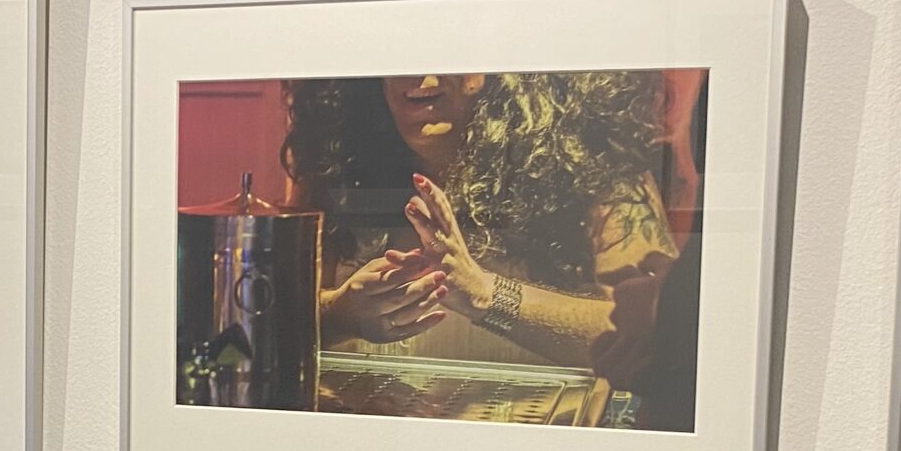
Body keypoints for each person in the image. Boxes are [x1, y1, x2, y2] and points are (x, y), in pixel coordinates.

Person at [283, 72, 681, 425]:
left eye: (448, 49)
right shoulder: (334, 162)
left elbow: (656, 337)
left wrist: (486, 295)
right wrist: (339, 313)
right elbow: (278, 323)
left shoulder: (598, 163)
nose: (420, 73)